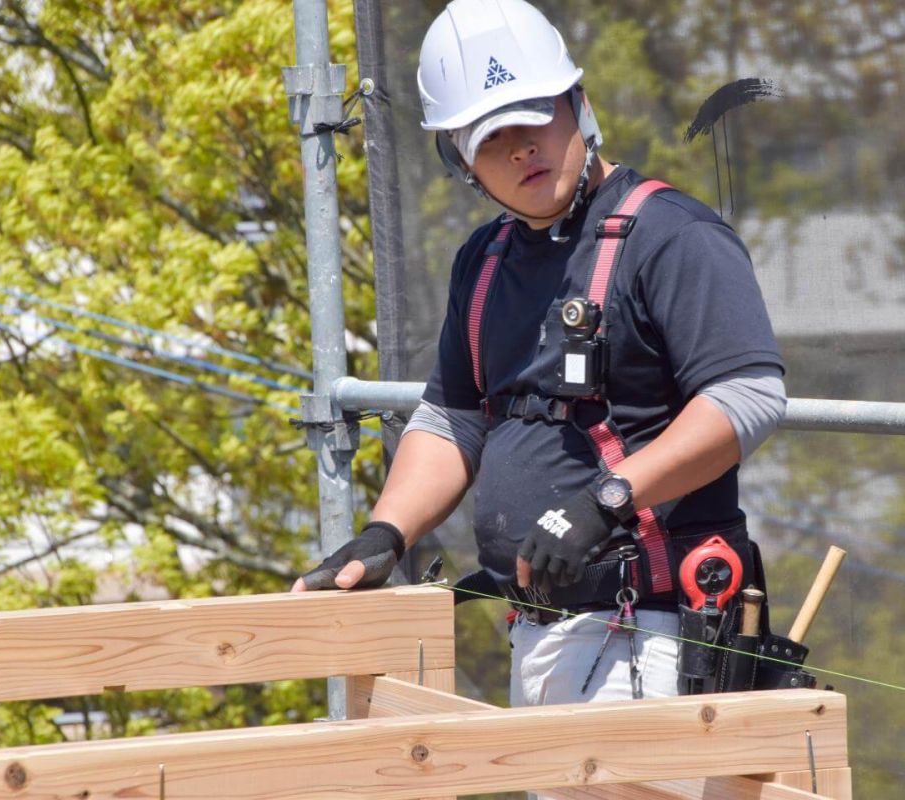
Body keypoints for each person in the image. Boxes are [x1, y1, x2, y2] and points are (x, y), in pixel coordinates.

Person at [293, 0, 787, 706]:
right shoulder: (484, 259)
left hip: (655, 636)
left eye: (536, 118)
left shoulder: (672, 236)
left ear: (578, 105)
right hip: (540, 630)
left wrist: (606, 501)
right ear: (459, 160)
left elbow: (748, 398)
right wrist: (386, 533)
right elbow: (453, 421)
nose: (523, 148)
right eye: (494, 138)